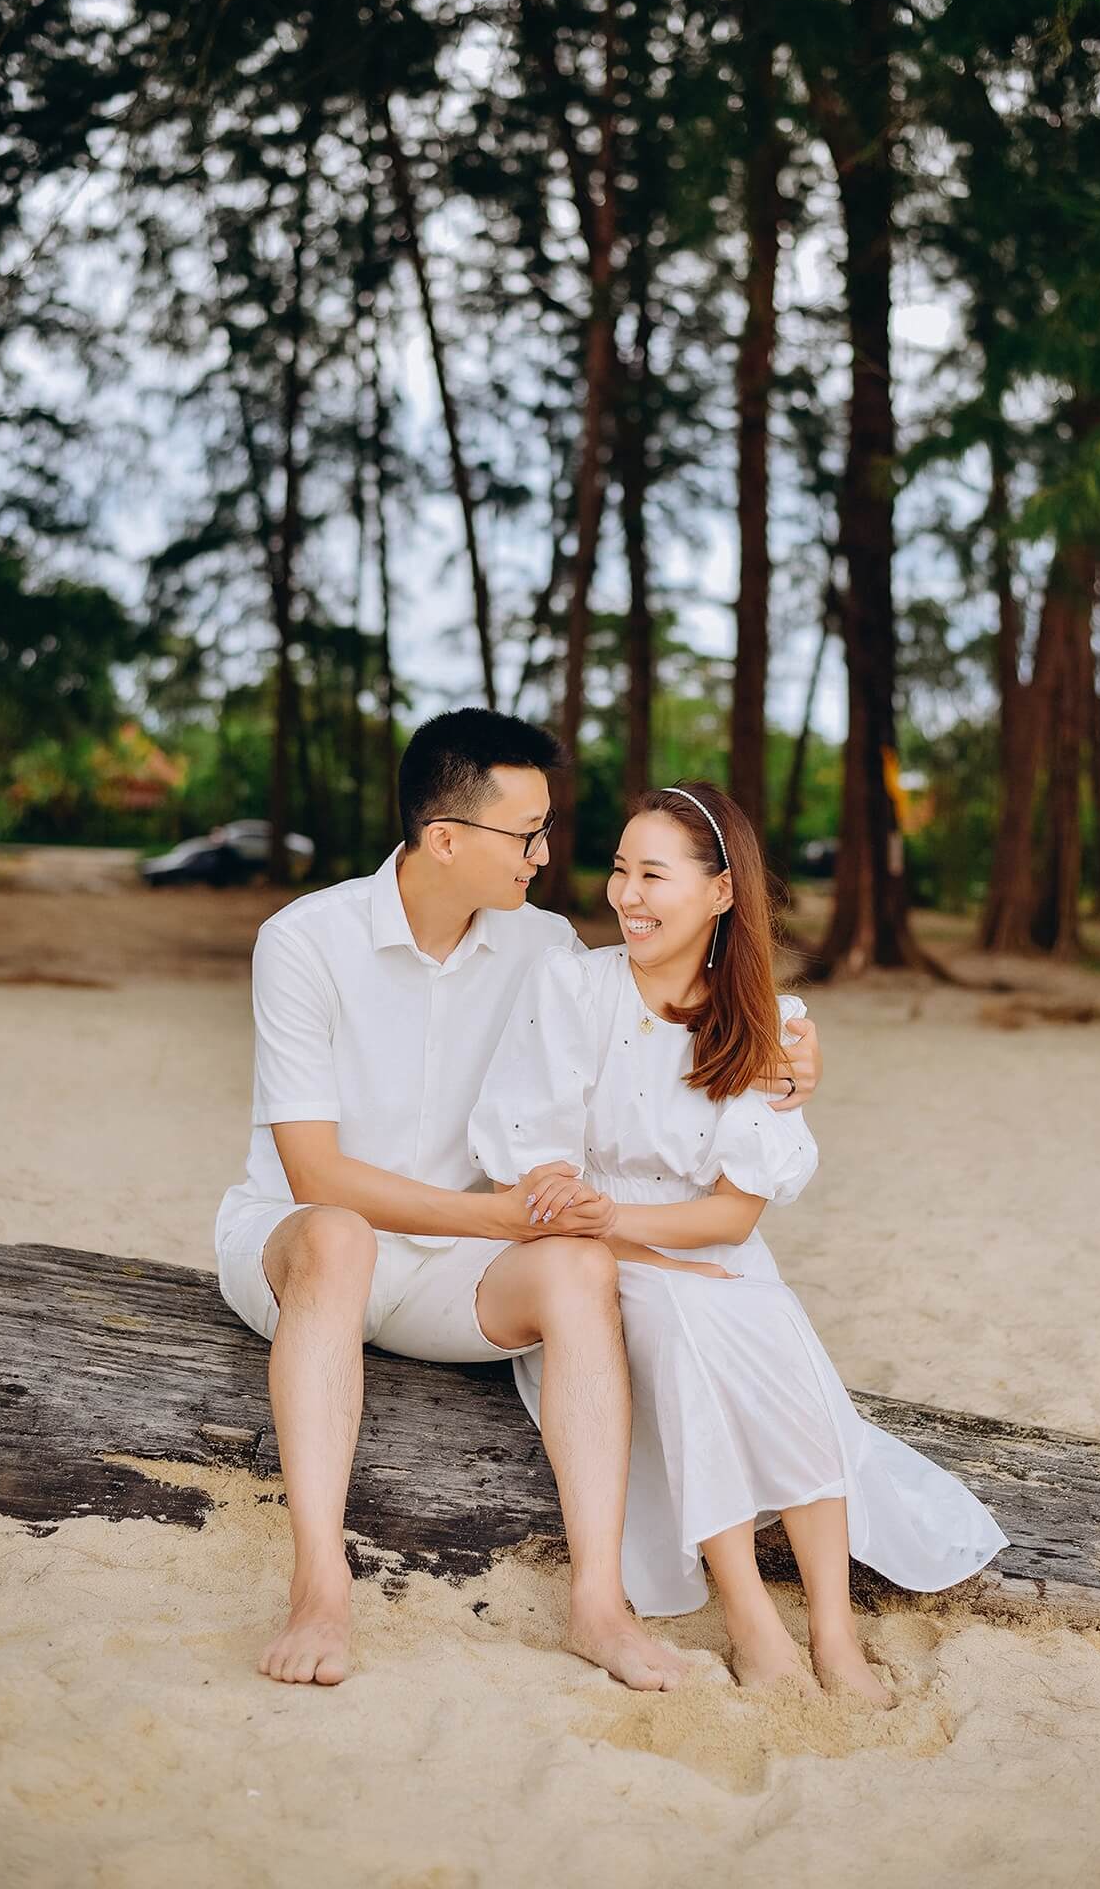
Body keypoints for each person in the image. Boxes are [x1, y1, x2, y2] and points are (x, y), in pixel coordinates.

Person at [214, 712, 822, 1689]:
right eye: (525, 833)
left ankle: (597, 1604)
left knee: (578, 1262)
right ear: (446, 837)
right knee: (336, 1236)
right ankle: (319, 1584)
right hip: (297, 1249)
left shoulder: (542, 947)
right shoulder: (303, 941)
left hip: (450, 1272)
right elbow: (313, 1176)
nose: (545, 855)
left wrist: (790, 1048)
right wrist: (502, 1215)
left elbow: (670, 1010)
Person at [468, 782, 1009, 1706]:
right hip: (595, 1264)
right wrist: (615, 1231)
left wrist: (634, 1227)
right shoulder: (573, 988)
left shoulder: (768, 1021)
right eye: (620, 871)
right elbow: (543, 1182)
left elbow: (730, 1221)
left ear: (721, 892)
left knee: (771, 1329)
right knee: (691, 1321)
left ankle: (834, 1633)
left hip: (699, 1248)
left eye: (655, 875)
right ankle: (753, 1616)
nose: (627, 895)